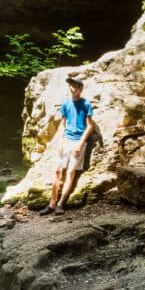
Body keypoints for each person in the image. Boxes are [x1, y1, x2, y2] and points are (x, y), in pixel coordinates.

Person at [39, 76, 94, 216]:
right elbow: (63, 125)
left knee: (70, 172)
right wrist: (60, 142)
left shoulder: (86, 104)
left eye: (75, 86)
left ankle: (61, 204)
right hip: (67, 141)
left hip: (78, 142)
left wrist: (80, 144)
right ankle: (51, 204)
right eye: (70, 85)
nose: (72, 88)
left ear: (81, 88)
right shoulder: (66, 104)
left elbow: (90, 126)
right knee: (58, 171)